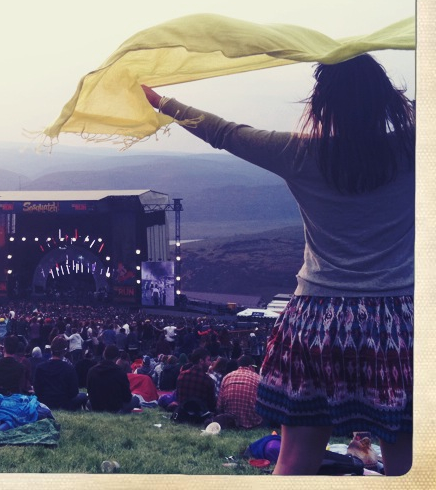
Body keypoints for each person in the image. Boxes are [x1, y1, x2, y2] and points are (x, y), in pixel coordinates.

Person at [142, 53, 414, 476]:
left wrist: (164, 104)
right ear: (385, 99)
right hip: (397, 322)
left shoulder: (299, 152)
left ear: (322, 104)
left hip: (317, 321)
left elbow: (224, 132)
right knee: (407, 462)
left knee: (294, 459)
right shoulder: (415, 146)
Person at [32, 336, 87, 410]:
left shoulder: (40, 367)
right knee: (83, 395)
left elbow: (37, 389)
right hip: (65, 402)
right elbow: (74, 392)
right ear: (64, 351)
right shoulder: (69, 368)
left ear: (51, 350)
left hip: (44, 401)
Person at [210, 355, 263, 430]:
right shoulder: (258, 379)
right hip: (253, 422)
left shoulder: (227, 377)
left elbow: (219, 406)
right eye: (254, 366)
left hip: (229, 421)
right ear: (251, 366)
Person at [87, 344, 140, 413]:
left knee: (88, 402)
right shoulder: (120, 372)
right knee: (136, 399)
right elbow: (127, 397)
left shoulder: (92, 371)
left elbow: (89, 391)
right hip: (116, 407)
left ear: (104, 354)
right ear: (117, 357)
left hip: (96, 406)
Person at [175, 347, 216, 413]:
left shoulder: (182, 375)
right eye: (208, 360)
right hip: (200, 416)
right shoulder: (208, 380)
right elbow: (211, 404)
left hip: (182, 414)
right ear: (201, 361)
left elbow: (178, 397)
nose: (210, 363)